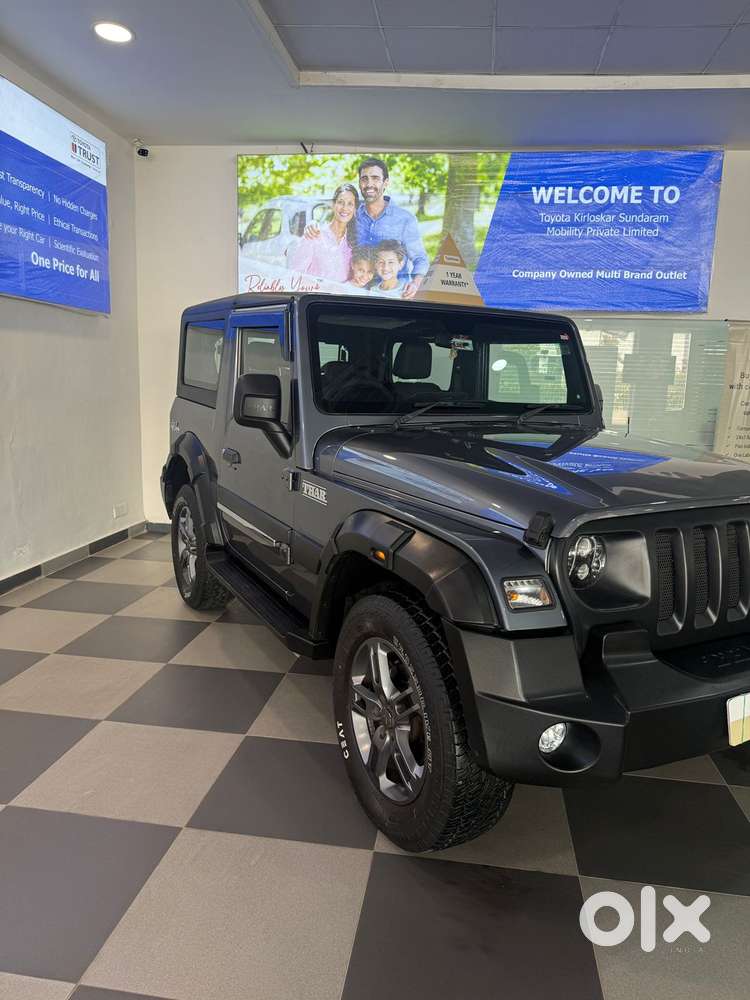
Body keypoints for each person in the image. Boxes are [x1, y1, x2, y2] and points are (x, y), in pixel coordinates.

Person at [304, 157, 428, 298]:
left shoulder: (405, 219)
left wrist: (416, 284)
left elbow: (420, 259)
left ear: (385, 182)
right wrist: (312, 225)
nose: (369, 184)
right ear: (360, 183)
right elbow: (333, 228)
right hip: (357, 292)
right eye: (364, 179)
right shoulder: (353, 216)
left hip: (394, 294)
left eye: (375, 178)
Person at [287, 183, 358, 282]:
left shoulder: (353, 242)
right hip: (317, 296)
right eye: (340, 202)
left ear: (355, 209)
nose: (345, 208)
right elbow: (295, 274)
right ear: (333, 205)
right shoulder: (314, 234)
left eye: (350, 204)